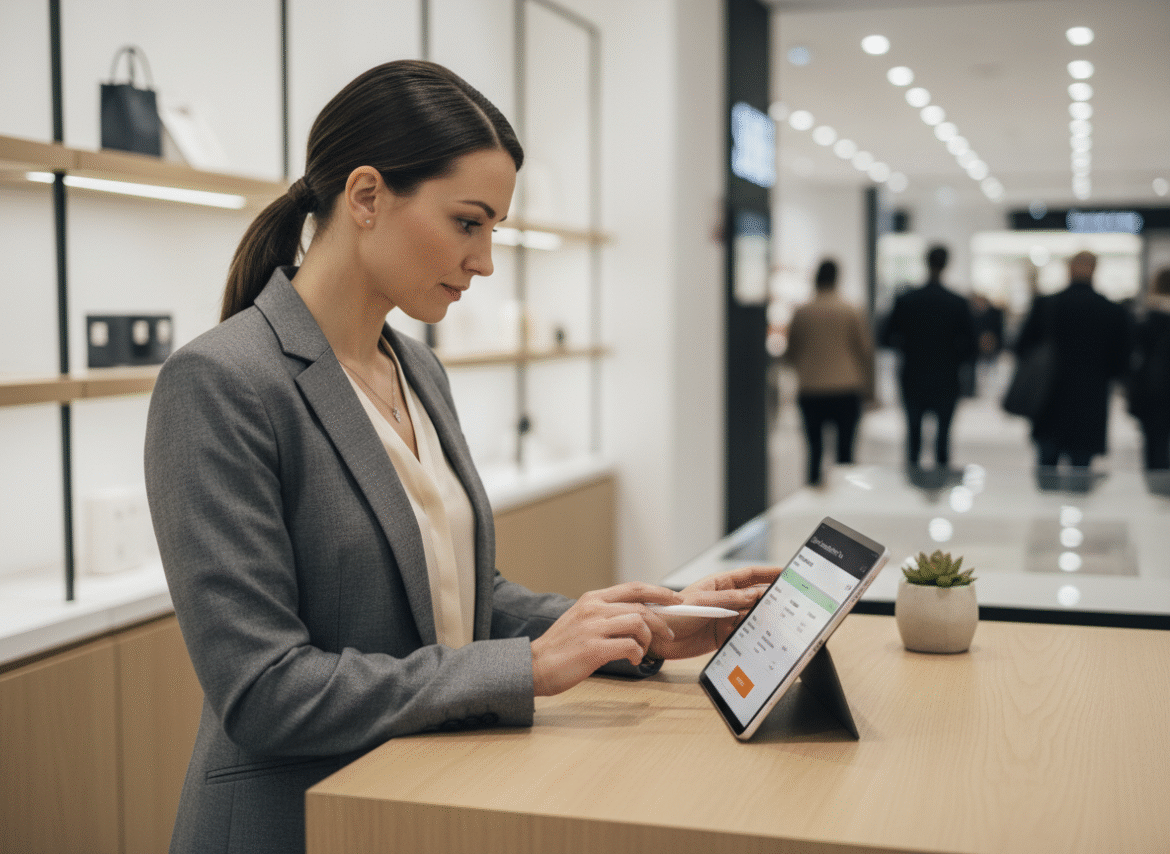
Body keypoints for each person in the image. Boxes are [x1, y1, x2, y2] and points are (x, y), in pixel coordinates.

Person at [143, 60, 777, 854]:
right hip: (301, 823)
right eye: (467, 223)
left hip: (427, 800)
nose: (482, 262)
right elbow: (265, 690)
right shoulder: (221, 382)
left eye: (493, 232)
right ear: (366, 197)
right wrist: (526, 667)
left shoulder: (417, 367)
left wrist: (636, 628)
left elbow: (452, 596)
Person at [1013, 250, 1131, 472]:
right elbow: (1121, 363)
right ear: (1095, 270)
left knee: (1046, 469)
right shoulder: (1112, 311)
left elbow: (1022, 348)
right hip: (1090, 401)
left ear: (1069, 268)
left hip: (1049, 398)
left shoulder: (1047, 305)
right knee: (1081, 471)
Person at [880, 244, 978, 471]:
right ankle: (940, 484)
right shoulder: (956, 302)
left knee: (913, 437)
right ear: (946, 264)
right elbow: (972, 347)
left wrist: (908, 347)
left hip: (913, 376)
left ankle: (912, 485)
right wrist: (953, 358)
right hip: (946, 377)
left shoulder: (907, 300)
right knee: (943, 439)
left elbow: (886, 338)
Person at [784, 259, 874, 485]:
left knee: (814, 450)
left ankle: (813, 495)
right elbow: (864, 352)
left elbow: (790, 353)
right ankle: (844, 498)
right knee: (845, 452)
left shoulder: (802, 312)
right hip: (845, 387)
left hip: (811, 388)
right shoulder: (850, 310)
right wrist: (870, 390)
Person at [1127, 267, 1170, 470]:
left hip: (1153, 391)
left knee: (1154, 443)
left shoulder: (1147, 318)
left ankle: (1157, 486)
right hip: (1158, 387)